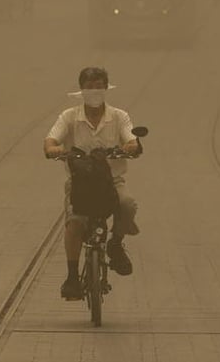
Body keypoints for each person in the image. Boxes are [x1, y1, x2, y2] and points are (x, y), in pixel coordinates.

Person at [43, 67, 141, 300]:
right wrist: (53, 148)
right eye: (90, 87)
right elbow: (51, 138)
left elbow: (131, 138)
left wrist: (131, 146)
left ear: (106, 88)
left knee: (127, 205)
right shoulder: (69, 116)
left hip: (111, 180)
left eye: (99, 86)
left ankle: (115, 244)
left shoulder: (119, 116)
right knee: (75, 222)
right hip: (80, 183)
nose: (94, 91)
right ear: (81, 90)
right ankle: (72, 276)